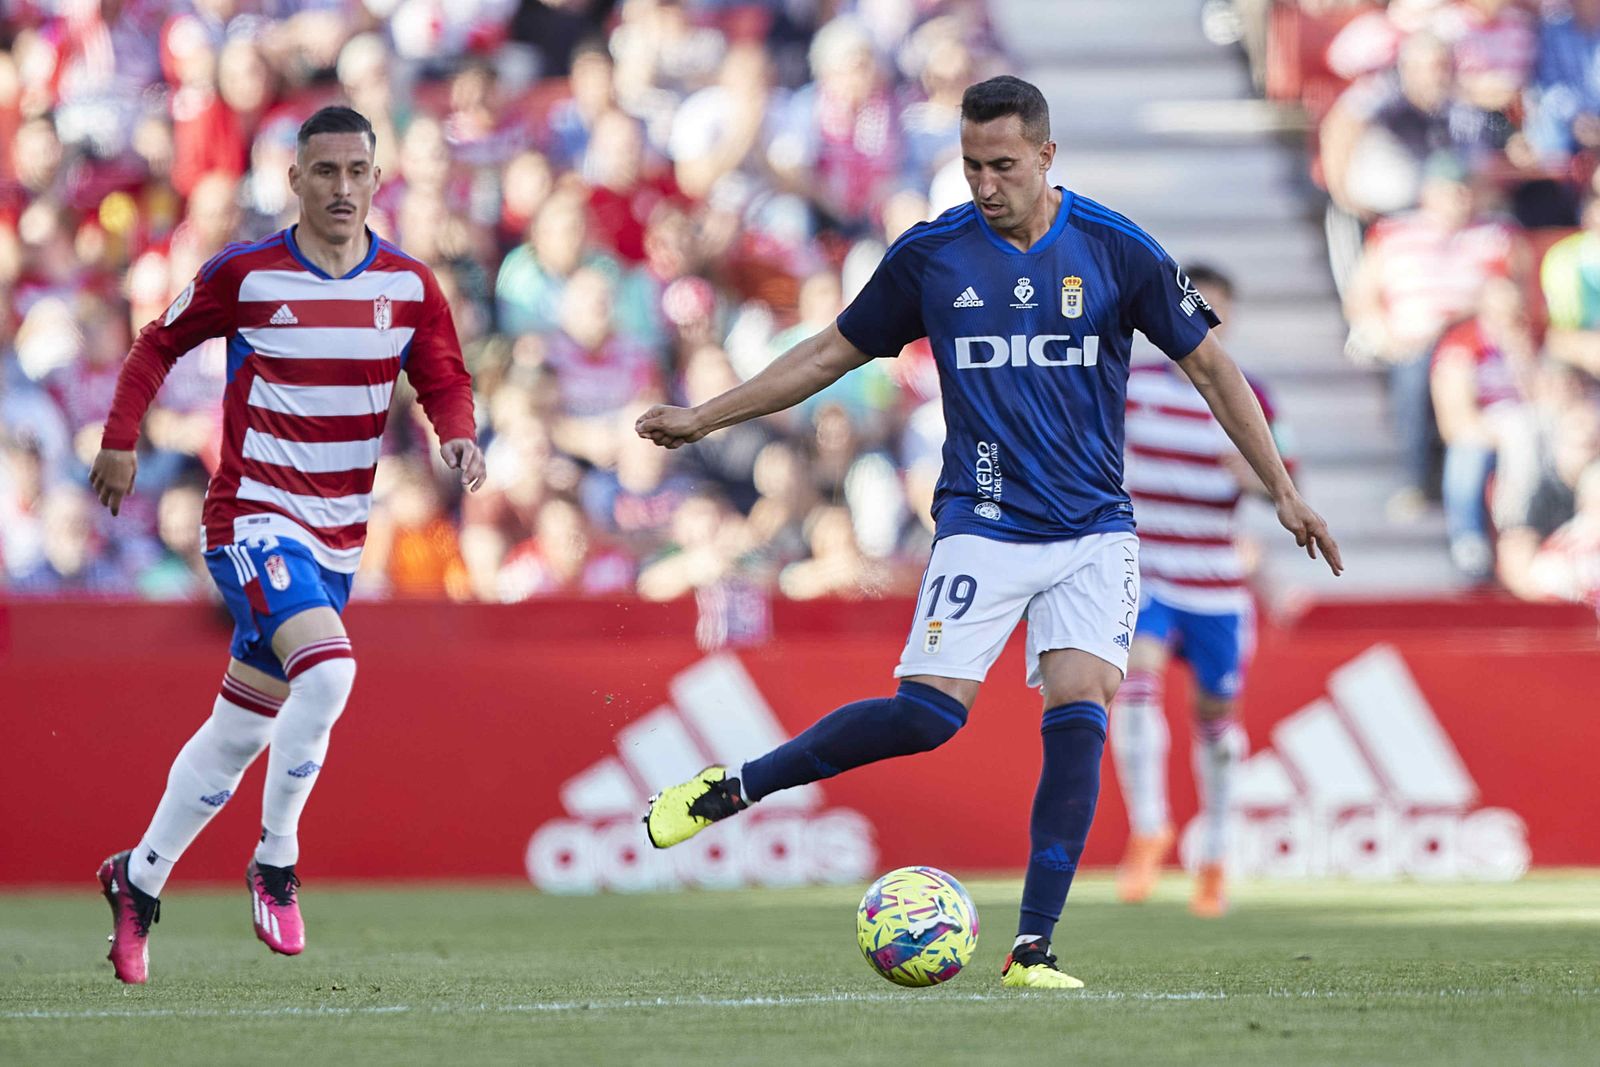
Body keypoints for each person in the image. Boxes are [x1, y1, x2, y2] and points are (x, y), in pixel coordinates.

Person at [634, 76, 1341, 989]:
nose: (985, 184)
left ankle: (1032, 948)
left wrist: (1282, 489)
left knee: (1081, 714)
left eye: (1003, 165)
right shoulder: (933, 255)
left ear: (1047, 156)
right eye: (971, 166)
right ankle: (735, 786)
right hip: (985, 517)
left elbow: (1212, 365)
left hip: (1094, 529)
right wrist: (705, 417)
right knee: (927, 718)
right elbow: (826, 354)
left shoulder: (1118, 248)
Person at [87, 106, 485, 985]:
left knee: (239, 731)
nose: (342, 187)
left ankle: (138, 876)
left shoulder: (409, 286)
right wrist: (119, 438)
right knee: (331, 671)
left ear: (377, 180)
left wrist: (457, 433)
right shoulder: (248, 274)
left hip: (337, 540)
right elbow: (156, 345)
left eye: (357, 171)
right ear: (295, 180)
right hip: (252, 518)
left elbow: (443, 373)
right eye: (325, 171)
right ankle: (275, 858)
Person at [1110, 264, 1289, 918]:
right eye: (1192, 307)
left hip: (1215, 579)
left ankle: (1214, 852)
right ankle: (1149, 826)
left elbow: (1286, 486)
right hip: (1149, 567)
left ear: (1229, 317)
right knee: (1136, 680)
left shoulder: (1251, 396)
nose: (1201, 321)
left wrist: (1255, 475)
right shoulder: (1132, 385)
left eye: (1215, 309)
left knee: (1216, 717)